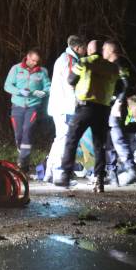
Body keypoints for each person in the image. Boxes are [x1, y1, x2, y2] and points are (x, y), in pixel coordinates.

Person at [54, 40, 128, 192]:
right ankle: (99, 179)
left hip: (84, 107)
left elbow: (70, 80)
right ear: (101, 50)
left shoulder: (83, 62)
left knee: (72, 139)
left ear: (88, 50)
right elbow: (121, 86)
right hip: (103, 109)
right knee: (99, 145)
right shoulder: (112, 67)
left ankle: (66, 175)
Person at [44, 35, 87, 183]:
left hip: (60, 105)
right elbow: (72, 82)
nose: (85, 51)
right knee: (64, 139)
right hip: (65, 106)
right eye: (84, 48)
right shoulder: (70, 60)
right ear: (77, 48)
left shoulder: (64, 58)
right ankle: (58, 173)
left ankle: (50, 172)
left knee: (59, 139)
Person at [3, 48, 51, 173]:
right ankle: (22, 154)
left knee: (27, 130)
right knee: (18, 134)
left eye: (37, 61)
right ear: (27, 57)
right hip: (17, 106)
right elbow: (7, 85)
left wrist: (44, 92)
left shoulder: (42, 71)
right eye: (33, 60)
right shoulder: (16, 69)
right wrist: (19, 92)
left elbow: (48, 86)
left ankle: (23, 162)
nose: (35, 63)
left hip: (33, 106)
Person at [103, 40, 136, 185]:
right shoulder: (109, 66)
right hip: (109, 106)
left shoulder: (119, 65)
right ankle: (111, 173)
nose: (102, 52)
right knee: (109, 141)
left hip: (115, 107)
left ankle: (131, 170)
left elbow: (126, 85)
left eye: (104, 49)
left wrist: (118, 102)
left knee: (117, 138)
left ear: (110, 51)